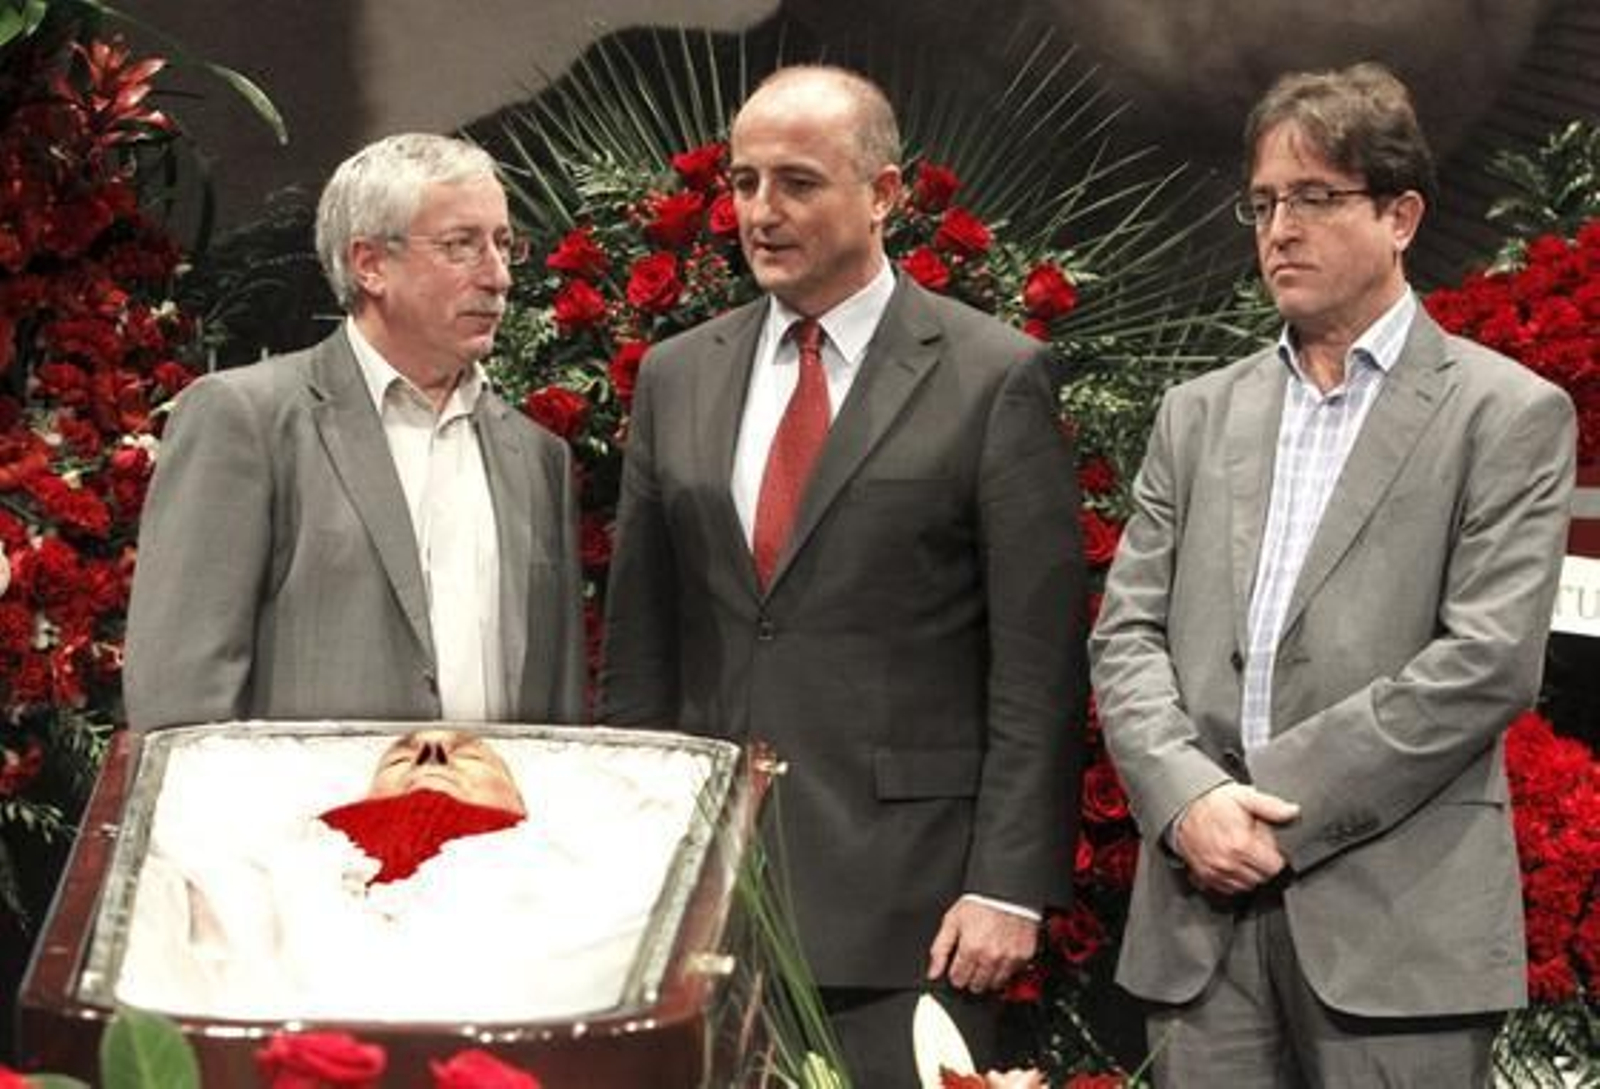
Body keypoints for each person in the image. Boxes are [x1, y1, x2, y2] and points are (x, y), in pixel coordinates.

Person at [1090, 62, 1575, 1087]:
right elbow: (1125, 636)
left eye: (1314, 197)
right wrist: (1186, 803)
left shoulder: (1506, 414)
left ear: (1399, 215)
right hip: (1200, 927)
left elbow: (1487, 663)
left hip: (1395, 934)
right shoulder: (1198, 414)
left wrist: (1257, 803)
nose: (1279, 229)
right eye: (1263, 203)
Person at [600, 65, 1087, 1087]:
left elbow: (1036, 666)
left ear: (885, 195)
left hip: (912, 913)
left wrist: (1008, 885)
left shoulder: (990, 377)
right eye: (741, 184)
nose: (759, 214)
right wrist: (629, 865)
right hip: (705, 908)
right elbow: (642, 650)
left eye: (797, 183)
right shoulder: (679, 374)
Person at [124, 133, 584, 730]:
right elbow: (179, 709)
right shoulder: (246, 420)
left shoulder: (538, 456)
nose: (498, 277)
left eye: (502, 245)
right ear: (369, 264)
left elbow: (560, 718)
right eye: (461, 246)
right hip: (306, 823)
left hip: (506, 820)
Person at [117, 729, 694, 1022]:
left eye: (471, 756)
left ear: (520, 797)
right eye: (399, 757)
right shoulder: (298, 844)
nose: (431, 756)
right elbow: (225, 897)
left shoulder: (554, 849)